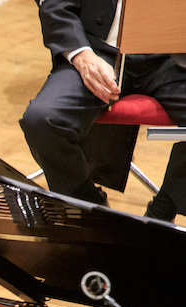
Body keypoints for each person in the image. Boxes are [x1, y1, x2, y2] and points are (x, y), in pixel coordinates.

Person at [19, 0, 186, 220]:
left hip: (172, 58)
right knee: (42, 120)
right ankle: (90, 210)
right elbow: (55, 4)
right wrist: (81, 55)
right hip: (96, 52)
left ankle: (160, 216)